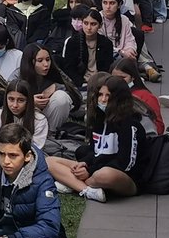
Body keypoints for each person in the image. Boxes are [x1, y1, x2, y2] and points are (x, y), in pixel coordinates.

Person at [46, 75, 149, 203]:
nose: (103, 100)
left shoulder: (130, 125)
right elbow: (94, 151)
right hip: (97, 169)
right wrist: (85, 164)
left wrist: (89, 170)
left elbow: (125, 163)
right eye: (100, 95)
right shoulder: (100, 120)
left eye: (108, 96)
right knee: (49, 161)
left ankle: (74, 185)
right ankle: (88, 190)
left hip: (125, 178)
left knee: (105, 175)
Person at [18, 43, 79, 134]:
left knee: (61, 97)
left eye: (48, 59)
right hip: (25, 119)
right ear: (30, 62)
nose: (46, 64)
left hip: (50, 118)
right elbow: (8, 101)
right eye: (40, 60)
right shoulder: (17, 75)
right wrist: (29, 102)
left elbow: (76, 95)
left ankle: (51, 135)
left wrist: (57, 87)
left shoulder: (55, 72)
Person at [0, 79, 49, 151]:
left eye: (20, 100)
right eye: (11, 99)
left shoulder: (39, 119)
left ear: (28, 101)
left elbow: (37, 149)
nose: (15, 105)